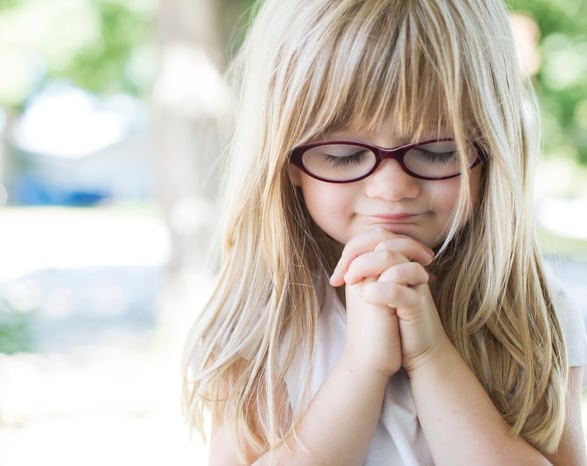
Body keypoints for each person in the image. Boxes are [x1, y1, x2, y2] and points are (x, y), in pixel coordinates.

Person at [182, 0, 587, 464]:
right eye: (342, 154)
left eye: (437, 151)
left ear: (494, 149)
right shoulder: (260, 323)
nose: (392, 189)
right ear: (285, 158)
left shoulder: (530, 311)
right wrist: (365, 366)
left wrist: (430, 358)